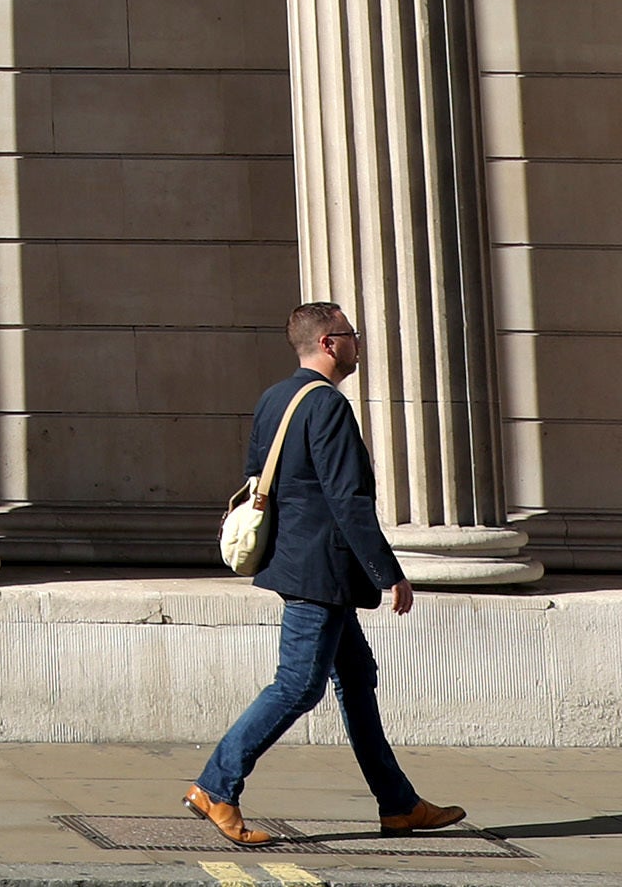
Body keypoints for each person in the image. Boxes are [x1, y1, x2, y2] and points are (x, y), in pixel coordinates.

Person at [186, 302, 470, 847]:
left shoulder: (275, 398)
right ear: (329, 344)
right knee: (298, 684)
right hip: (321, 570)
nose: (357, 342)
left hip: (298, 560)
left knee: (357, 679)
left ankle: (400, 804)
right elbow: (349, 498)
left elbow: (256, 475)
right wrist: (390, 573)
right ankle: (216, 786)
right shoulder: (329, 407)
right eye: (351, 334)